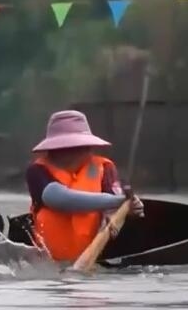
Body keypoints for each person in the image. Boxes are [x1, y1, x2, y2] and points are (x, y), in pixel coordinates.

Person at [26, 110, 145, 262]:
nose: (75, 152)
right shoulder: (37, 171)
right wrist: (118, 201)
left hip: (95, 260)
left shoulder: (105, 168)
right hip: (49, 262)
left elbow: (115, 210)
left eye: (79, 146)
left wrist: (129, 208)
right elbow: (56, 198)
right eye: (65, 147)